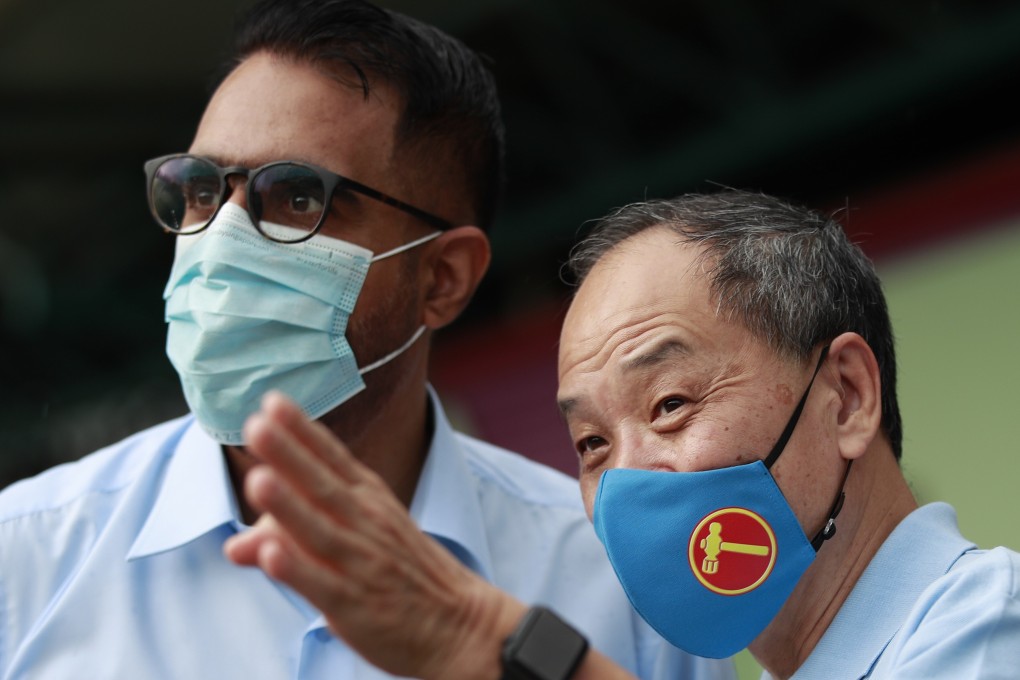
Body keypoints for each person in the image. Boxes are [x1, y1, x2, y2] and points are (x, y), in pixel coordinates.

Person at [0, 2, 734, 679]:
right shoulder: (27, 559)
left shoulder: (617, 588)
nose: (218, 239)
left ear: (443, 278)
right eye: (199, 189)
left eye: (294, 197)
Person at [225, 189, 1020, 679]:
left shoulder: (989, 628)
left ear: (846, 397)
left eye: (670, 403)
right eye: (591, 447)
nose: (631, 478)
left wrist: (498, 650)